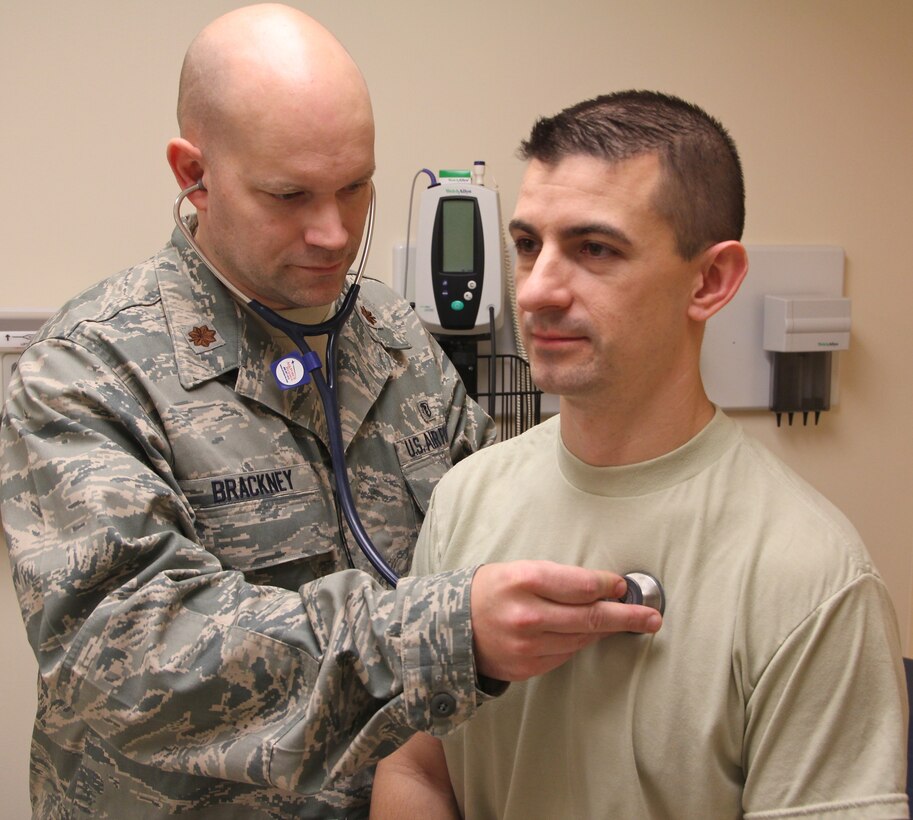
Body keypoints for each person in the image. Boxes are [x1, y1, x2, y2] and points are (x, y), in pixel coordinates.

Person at [0, 11, 662, 819]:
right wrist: (447, 632)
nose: (334, 232)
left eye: (356, 187)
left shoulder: (391, 337)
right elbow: (127, 664)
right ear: (193, 174)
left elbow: (494, 517)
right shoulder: (85, 371)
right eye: (289, 195)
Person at [371, 91, 909, 819]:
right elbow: (415, 767)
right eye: (528, 245)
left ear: (710, 280)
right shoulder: (467, 498)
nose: (535, 290)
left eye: (593, 249)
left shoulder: (810, 577)